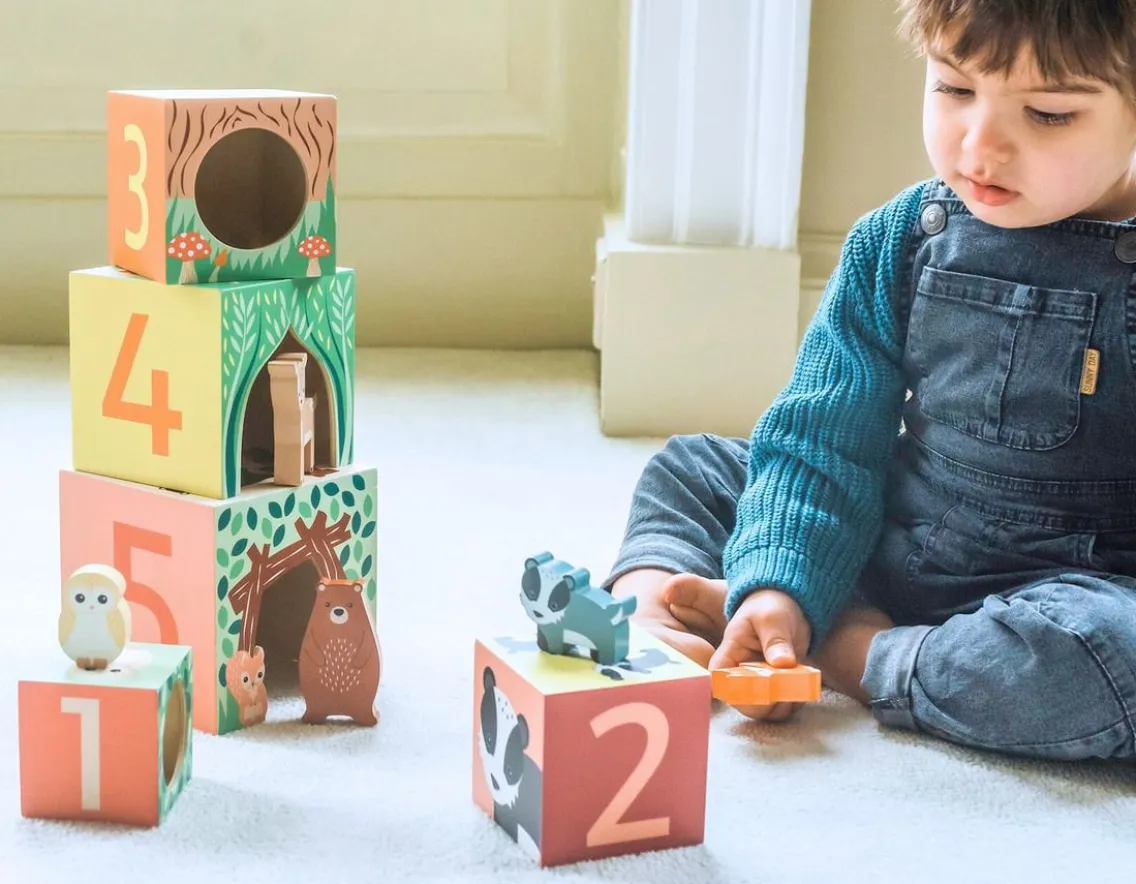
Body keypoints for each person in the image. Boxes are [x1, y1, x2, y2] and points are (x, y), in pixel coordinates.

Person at [602, 0, 1136, 762]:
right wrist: (777, 587)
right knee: (693, 468)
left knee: (1110, 662)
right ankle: (663, 611)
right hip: (890, 532)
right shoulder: (901, 240)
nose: (980, 143)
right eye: (954, 89)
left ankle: (856, 654)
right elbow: (822, 440)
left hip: (1068, 593)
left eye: (1049, 114)